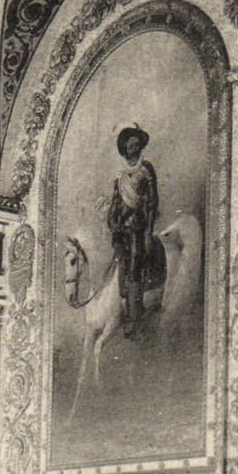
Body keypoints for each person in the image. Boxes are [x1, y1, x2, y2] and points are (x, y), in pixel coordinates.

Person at [106, 124, 159, 337]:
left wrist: (148, 230)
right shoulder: (119, 177)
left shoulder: (146, 170)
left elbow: (153, 202)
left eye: (136, 144)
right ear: (125, 147)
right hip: (122, 229)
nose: (133, 147)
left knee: (136, 261)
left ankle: (135, 317)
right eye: (129, 144)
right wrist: (112, 222)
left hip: (138, 225)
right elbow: (114, 204)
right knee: (120, 261)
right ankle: (121, 308)